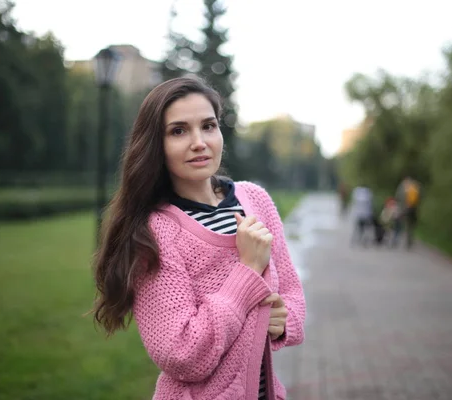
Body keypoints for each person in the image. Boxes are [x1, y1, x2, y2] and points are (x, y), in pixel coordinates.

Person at [92, 77, 306, 400]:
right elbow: (182, 353)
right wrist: (247, 271)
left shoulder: (255, 201)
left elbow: (292, 295)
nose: (199, 142)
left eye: (208, 126)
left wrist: (280, 321)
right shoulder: (156, 231)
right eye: (179, 131)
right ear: (156, 145)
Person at [395, 176, 421, 248]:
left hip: (404, 209)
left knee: (403, 224)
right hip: (414, 209)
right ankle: (409, 240)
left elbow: (397, 197)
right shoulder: (415, 187)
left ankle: (401, 239)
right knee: (410, 225)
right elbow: (419, 198)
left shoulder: (402, 188)